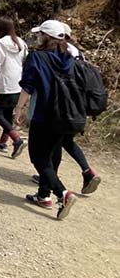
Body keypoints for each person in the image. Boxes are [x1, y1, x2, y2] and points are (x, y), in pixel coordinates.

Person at [16, 20, 83, 219]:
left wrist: (19, 108)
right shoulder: (68, 57)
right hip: (66, 114)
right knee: (54, 153)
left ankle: (63, 193)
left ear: (47, 37)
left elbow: (28, 85)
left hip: (44, 113)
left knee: (38, 156)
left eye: (39, 34)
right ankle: (43, 195)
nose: (37, 37)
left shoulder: (37, 57)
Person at [28, 21, 101, 195]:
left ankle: (53, 186)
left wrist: (21, 107)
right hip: (74, 109)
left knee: (49, 150)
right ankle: (50, 186)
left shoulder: (54, 54)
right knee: (61, 144)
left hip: (56, 109)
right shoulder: (72, 52)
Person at [0, 17, 28, 157]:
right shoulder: (21, 43)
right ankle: (2, 142)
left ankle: (16, 139)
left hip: (3, 82)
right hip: (17, 82)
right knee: (7, 114)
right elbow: (24, 62)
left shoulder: (0, 43)